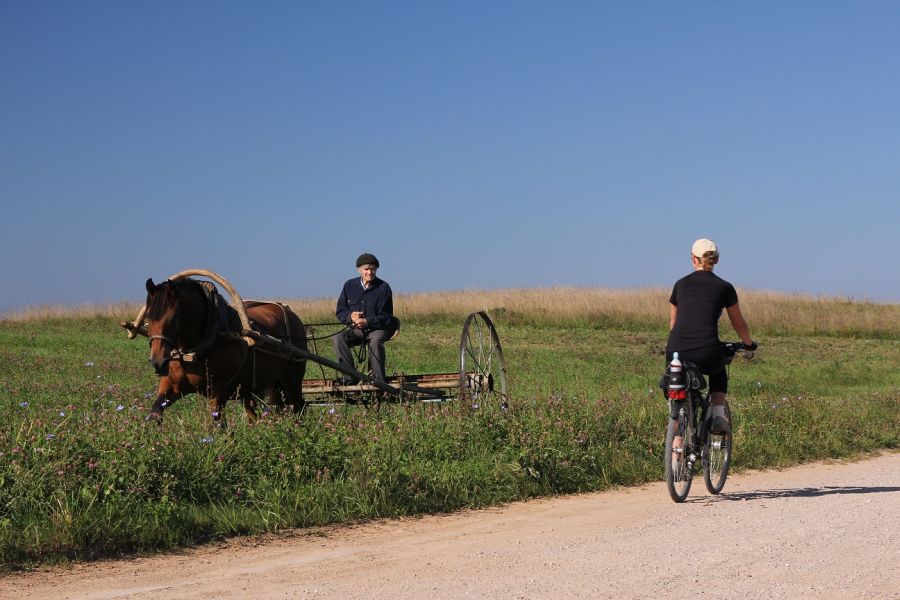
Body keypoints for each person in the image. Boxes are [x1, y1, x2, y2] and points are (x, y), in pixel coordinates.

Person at [666, 239, 755, 436]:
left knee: (677, 386)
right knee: (718, 372)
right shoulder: (724, 287)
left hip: (675, 350)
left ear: (693, 259)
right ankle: (717, 414)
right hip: (706, 350)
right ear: (716, 260)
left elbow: (673, 324)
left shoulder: (680, 285)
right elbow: (738, 323)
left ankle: (676, 443)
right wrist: (749, 344)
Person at [333, 252, 398, 385]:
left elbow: (386, 317)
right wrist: (350, 316)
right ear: (359, 270)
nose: (370, 272)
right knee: (338, 338)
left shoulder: (384, 288)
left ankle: (378, 381)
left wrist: (367, 321)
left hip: (377, 329)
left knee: (375, 341)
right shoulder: (349, 286)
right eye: (366, 269)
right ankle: (349, 377)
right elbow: (340, 311)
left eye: (373, 269)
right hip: (355, 330)